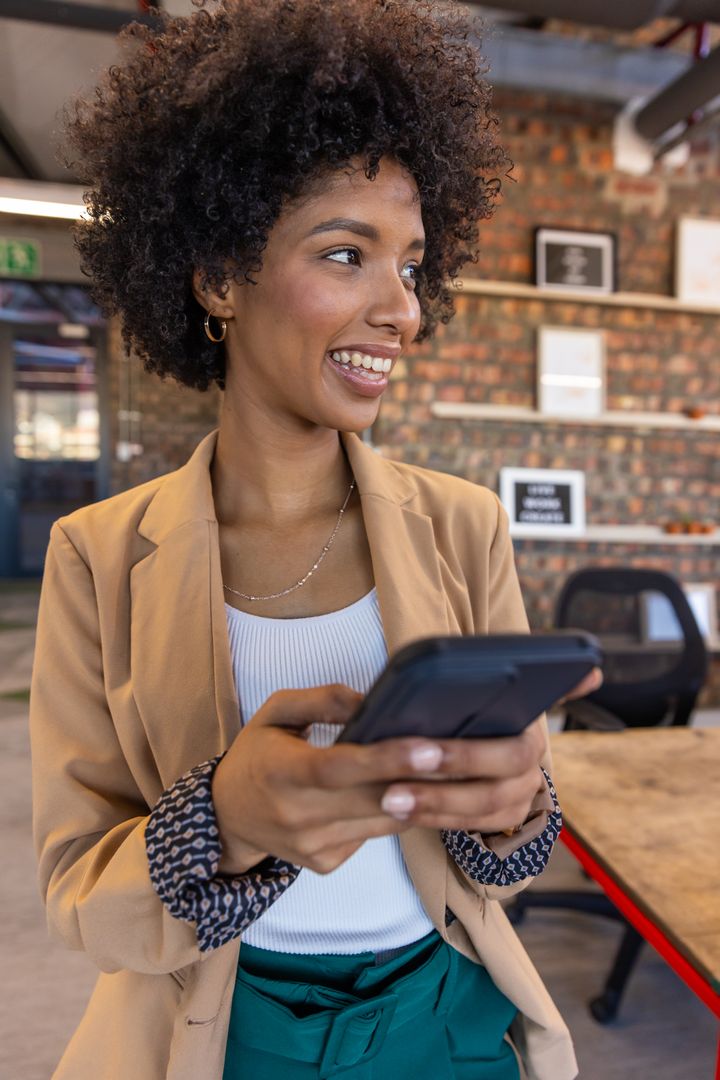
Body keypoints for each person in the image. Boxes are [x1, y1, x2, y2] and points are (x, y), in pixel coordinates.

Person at [30, 1, 599, 1077]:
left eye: (414, 265)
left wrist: (515, 806)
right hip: (219, 1033)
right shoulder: (95, 557)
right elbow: (76, 899)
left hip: (445, 1018)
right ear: (217, 279)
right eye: (348, 253)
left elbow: (512, 859)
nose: (406, 311)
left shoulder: (464, 528)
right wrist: (222, 820)